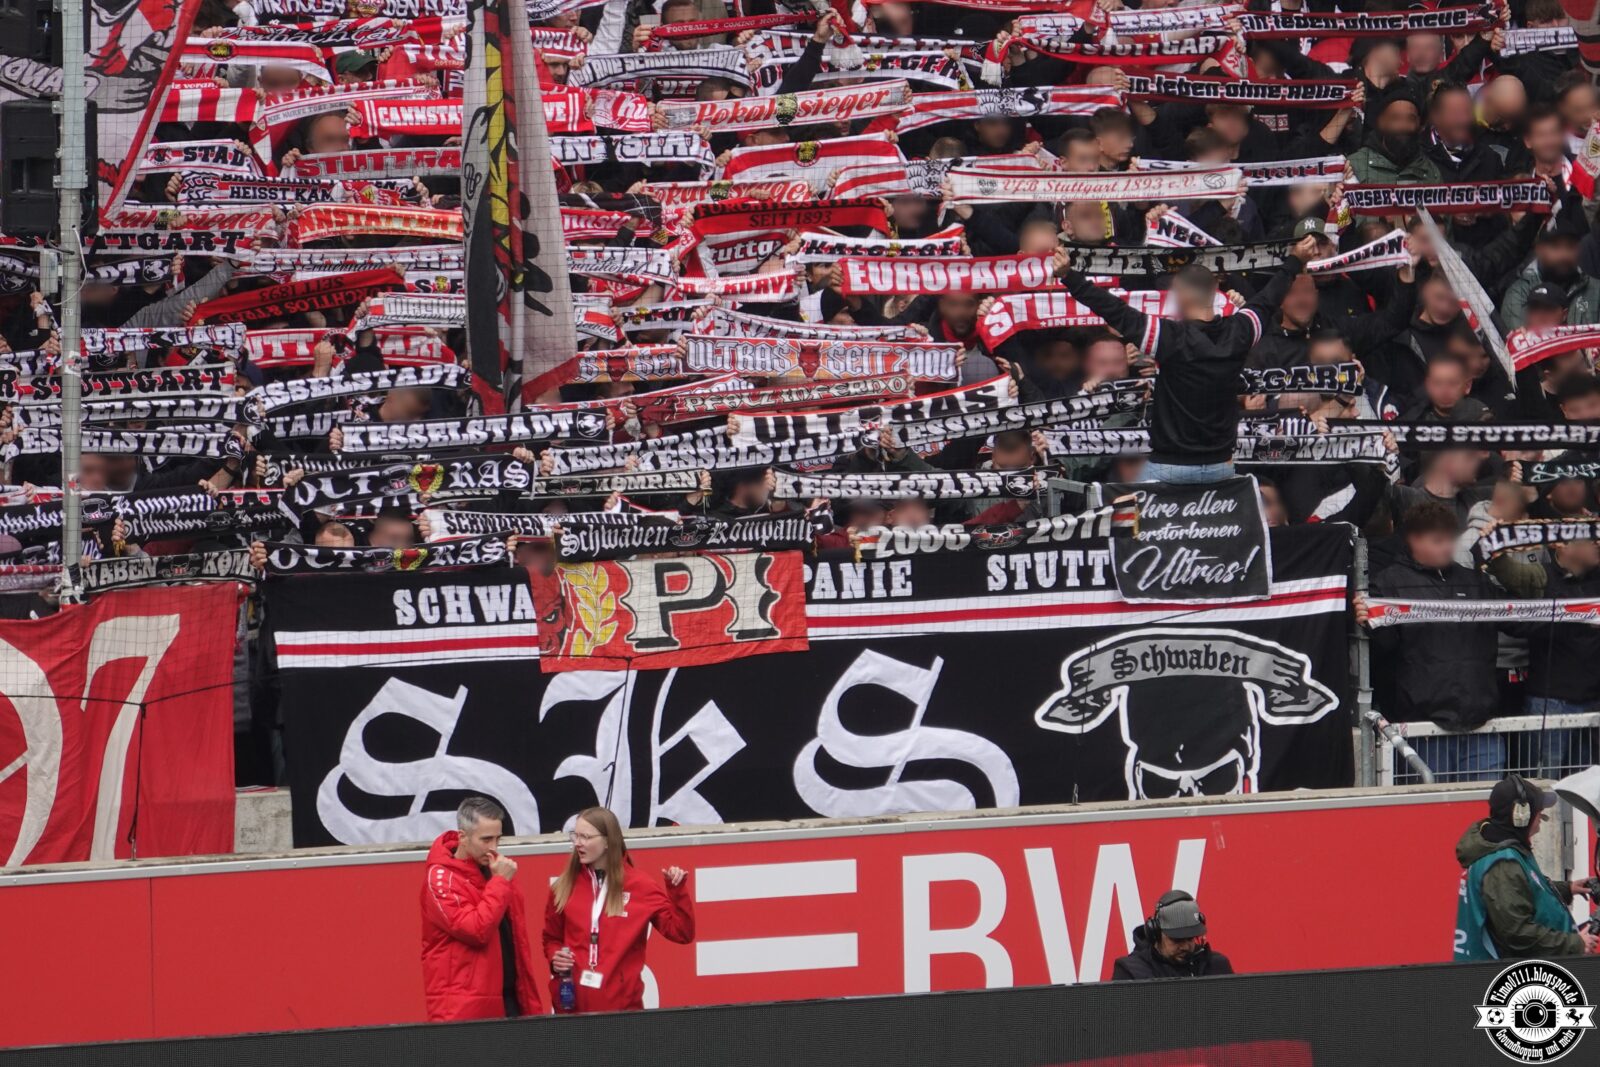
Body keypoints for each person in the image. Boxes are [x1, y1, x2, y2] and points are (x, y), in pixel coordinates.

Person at [543, 806, 694, 1013]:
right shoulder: (564, 886)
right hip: (571, 1007)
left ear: (607, 841)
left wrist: (677, 891)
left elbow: (682, 933)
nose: (578, 843)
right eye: (575, 836)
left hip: (621, 1011)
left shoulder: (640, 886)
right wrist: (555, 957)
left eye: (586, 837)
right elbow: (551, 938)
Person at [420, 797, 548, 1022]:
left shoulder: (495, 870)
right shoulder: (441, 878)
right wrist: (500, 883)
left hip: (510, 997)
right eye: (486, 839)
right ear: (463, 837)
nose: (494, 848)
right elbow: (475, 930)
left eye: (498, 838)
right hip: (465, 1007)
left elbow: (515, 939)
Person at [1455, 774, 1597, 960]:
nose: (1541, 814)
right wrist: (1574, 944)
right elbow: (1517, 932)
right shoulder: (1503, 864)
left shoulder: (1503, 848)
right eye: (1538, 809)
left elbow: (1524, 891)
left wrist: (1568, 888)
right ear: (1521, 815)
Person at [1111, 890, 1234, 979]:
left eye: (1190, 938)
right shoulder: (1131, 972)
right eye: (1177, 940)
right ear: (1157, 934)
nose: (1185, 946)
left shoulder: (1218, 967)